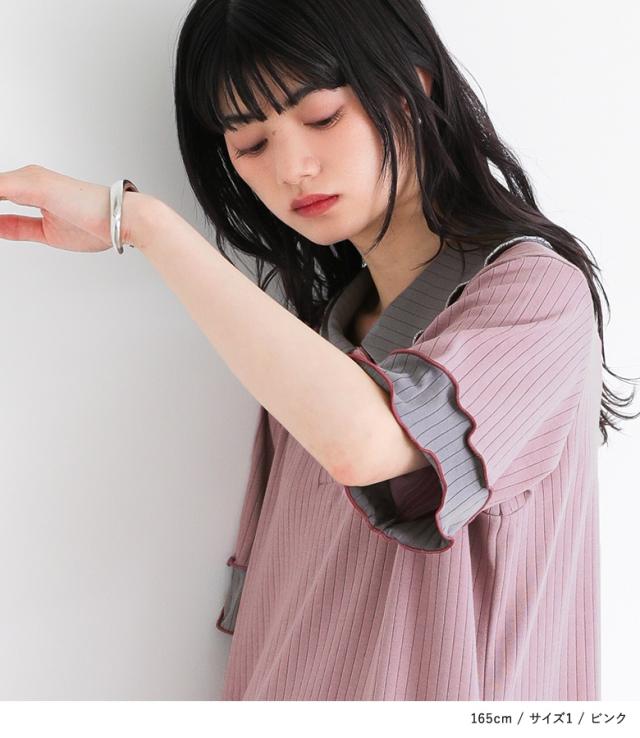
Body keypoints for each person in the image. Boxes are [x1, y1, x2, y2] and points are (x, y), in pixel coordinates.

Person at [0, 0, 637, 702]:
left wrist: (143, 223)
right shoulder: (313, 346)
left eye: (323, 117)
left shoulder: (536, 295)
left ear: (413, 84)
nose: (292, 168)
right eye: (251, 144)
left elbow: (366, 442)